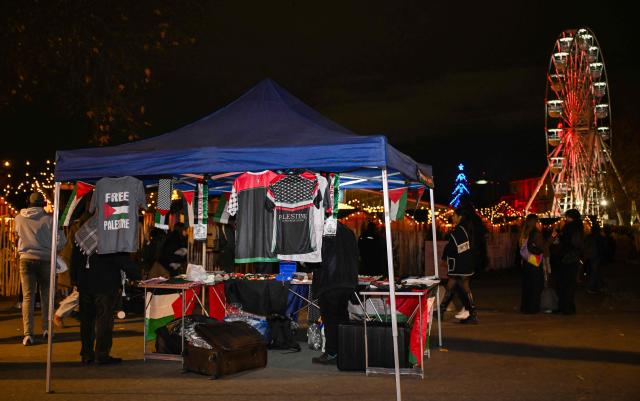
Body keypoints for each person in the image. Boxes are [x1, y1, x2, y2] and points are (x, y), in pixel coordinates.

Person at [14, 192, 63, 346]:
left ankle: (28, 334)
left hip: (26, 259)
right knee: (46, 296)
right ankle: (47, 329)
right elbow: (61, 241)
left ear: (28, 202)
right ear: (42, 204)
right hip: (45, 260)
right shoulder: (49, 219)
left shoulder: (18, 218)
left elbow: (17, 236)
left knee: (28, 297)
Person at [311, 222, 359, 365]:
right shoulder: (348, 231)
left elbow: (319, 258)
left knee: (331, 319)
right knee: (342, 317)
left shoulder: (323, 231)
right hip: (346, 281)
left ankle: (332, 352)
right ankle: (343, 351)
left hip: (330, 282)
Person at [440, 207, 478, 323]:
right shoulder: (465, 229)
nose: (452, 217)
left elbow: (452, 247)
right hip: (465, 262)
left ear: (460, 217)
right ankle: (442, 308)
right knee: (452, 284)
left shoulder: (458, 231)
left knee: (463, 286)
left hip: (460, 264)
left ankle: (472, 313)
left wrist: (445, 257)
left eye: (454, 215)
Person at [553, 208, 584, 315]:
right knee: (569, 284)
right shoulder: (579, 227)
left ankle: (565, 307)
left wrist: (559, 234)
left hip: (567, 258)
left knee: (564, 284)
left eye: (567, 217)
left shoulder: (569, 228)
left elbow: (567, 242)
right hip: (573, 258)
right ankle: (568, 307)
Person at [519, 214, 547, 313]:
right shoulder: (536, 233)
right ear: (535, 222)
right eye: (538, 221)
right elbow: (543, 247)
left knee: (527, 285)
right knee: (536, 285)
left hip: (526, 261)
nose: (539, 223)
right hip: (534, 262)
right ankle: (533, 308)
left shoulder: (525, 232)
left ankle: (525, 307)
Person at [584, 217, 607, 294]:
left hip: (593, 255)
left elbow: (586, 246)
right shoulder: (600, 236)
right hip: (597, 255)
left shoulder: (590, 236)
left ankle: (598, 286)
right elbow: (604, 245)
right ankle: (592, 287)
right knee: (595, 271)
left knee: (595, 271)